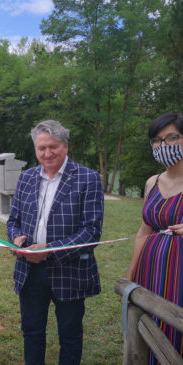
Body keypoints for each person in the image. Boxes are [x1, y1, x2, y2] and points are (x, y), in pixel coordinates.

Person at [7, 120, 104, 365]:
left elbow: (91, 231)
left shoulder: (88, 178)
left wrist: (49, 251)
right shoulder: (26, 178)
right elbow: (13, 220)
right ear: (35, 150)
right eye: (42, 148)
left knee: (70, 336)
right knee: (32, 333)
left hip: (69, 271)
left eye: (53, 146)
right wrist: (16, 239)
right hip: (29, 271)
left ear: (66, 146)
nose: (47, 153)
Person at [126, 113, 183, 364]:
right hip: (149, 271)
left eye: (172, 137)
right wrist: (130, 276)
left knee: (174, 329)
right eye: (157, 141)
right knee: (146, 326)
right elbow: (143, 231)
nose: (164, 146)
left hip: (179, 274)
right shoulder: (152, 182)